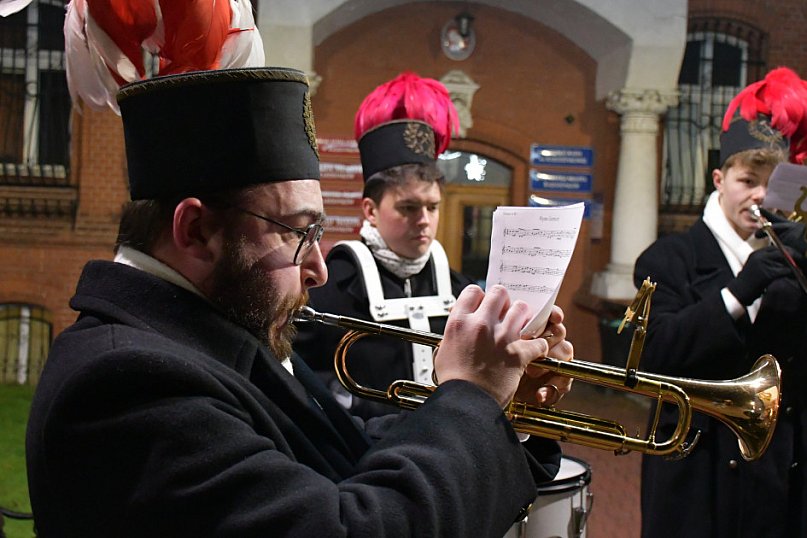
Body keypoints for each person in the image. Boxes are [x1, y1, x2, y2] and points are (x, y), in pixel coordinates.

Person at [25, 67, 577, 537]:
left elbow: (354, 453)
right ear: (195, 230)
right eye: (296, 233)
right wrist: (468, 397)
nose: (317, 268)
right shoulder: (124, 383)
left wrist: (504, 409)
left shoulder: (209, 340)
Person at [634, 67, 807, 538]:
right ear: (719, 178)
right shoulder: (668, 258)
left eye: (772, 185)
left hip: (774, 477)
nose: (760, 197)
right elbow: (657, 355)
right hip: (695, 471)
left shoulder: (792, 262)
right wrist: (736, 293)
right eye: (748, 180)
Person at [295, 72, 475, 420]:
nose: (423, 219)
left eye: (432, 207)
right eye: (408, 208)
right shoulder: (328, 290)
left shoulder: (460, 292)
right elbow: (298, 379)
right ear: (371, 210)